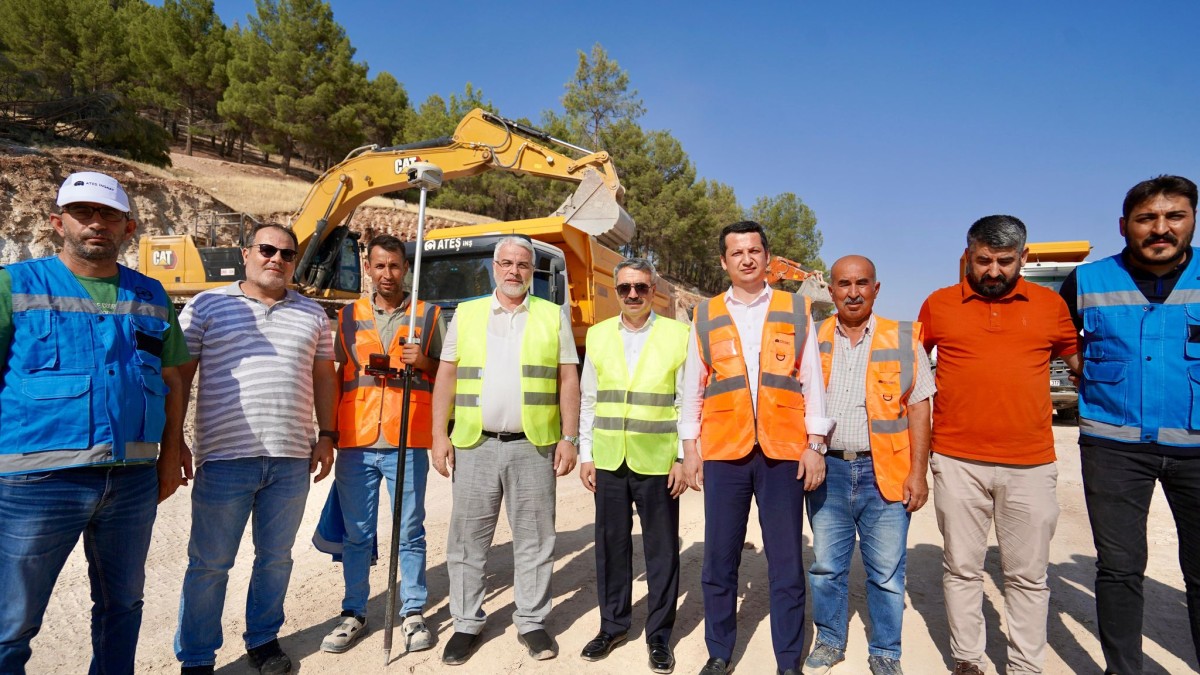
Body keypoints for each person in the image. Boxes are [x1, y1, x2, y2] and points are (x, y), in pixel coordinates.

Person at [0, 171, 190, 674]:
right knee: (11, 622)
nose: (96, 223)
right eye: (83, 212)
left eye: (109, 214)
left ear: (128, 227)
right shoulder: (15, 284)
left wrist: (171, 453)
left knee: (122, 607)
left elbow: (171, 377)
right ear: (57, 222)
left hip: (131, 481)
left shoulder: (151, 294)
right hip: (36, 482)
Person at [918, 215, 1080, 675]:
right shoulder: (938, 304)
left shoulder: (1050, 305)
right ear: (967, 256)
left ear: (1023, 257)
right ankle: (968, 659)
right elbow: (908, 370)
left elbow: (1082, 366)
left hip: (1030, 464)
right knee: (962, 568)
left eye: (1004, 262)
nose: (993, 271)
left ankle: (1025, 666)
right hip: (956, 461)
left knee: (1027, 576)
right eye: (983, 260)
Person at [174, 224, 337, 675]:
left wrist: (328, 434)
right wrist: (174, 439)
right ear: (246, 254)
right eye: (267, 249)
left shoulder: (313, 313)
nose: (276, 259)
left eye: (287, 254)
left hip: (291, 459)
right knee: (210, 564)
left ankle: (263, 640)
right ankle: (197, 658)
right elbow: (180, 376)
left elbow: (324, 377)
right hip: (224, 459)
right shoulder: (206, 305)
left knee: (276, 559)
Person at [1060, 175, 1200, 674]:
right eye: (1146, 219)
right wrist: (1086, 370)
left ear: (1192, 220)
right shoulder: (1088, 281)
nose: (1160, 229)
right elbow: (1060, 337)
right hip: (1113, 447)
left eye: (1174, 216)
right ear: (1124, 226)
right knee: (1119, 570)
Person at [680, 220, 833, 675]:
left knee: (786, 563)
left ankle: (788, 660)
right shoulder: (705, 314)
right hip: (724, 452)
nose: (746, 259)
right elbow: (693, 386)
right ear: (723, 261)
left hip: (783, 453)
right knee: (718, 559)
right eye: (737, 252)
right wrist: (690, 449)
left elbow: (811, 380)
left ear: (767, 257)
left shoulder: (796, 308)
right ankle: (719, 651)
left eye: (754, 251)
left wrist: (815, 445)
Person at [430, 235, 580, 666]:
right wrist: (439, 435)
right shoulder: (467, 313)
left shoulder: (552, 315)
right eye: (507, 263)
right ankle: (466, 623)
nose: (515, 271)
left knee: (535, 540)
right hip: (475, 444)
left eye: (523, 265)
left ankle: (532, 621)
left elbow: (568, 379)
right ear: (494, 268)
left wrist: (569, 438)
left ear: (532, 272)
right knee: (467, 541)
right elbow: (447, 375)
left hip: (534, 446)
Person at [801, 255, 934, 675]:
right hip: (829, 471)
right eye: (843, 284)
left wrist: (918, 473)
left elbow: (920, 408)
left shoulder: (902, 339)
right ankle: (830, 641)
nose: (853, 292)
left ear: (876, 289)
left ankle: (886, 651)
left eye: (862, 283)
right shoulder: (812, 336)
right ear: (831, 291)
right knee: (826, 568)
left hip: (885, 472)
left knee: (887, 573)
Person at [316, 234, 445, 655]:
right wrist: (328, 434)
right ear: (368, 268)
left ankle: (413, 611)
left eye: (394, 265)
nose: (386, 273)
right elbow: (335, 376)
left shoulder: (428, 315)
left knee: (409, 530)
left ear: (406, 268)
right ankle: (354, 611)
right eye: (379, 265)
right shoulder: (348, 316)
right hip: (356, 438)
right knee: (357, 533)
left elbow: (448, 374)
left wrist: (423, 362)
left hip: (408, 438)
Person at [578, 258, 689, 674]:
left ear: (653, 290)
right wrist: (587, 454)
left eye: (641, 287)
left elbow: (686, 402)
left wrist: (682, 458)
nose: (632, 295)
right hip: (609, 458)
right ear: (616, 290)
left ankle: (659, 635)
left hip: (658, 460)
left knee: (661, 550)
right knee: (611, 546)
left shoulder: (679, 336)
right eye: (625, 288)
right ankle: (613, 626)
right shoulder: (598, 334)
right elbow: (590, 399)